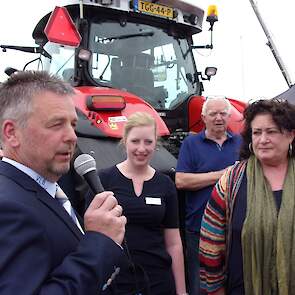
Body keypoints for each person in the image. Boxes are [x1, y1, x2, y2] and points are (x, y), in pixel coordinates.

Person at [0, 71, 126, 295]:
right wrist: (99, 243)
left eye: (73, 124)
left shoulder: (47, 189)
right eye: (56, 124)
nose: (72, 136)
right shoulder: (8, 207)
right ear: (11, 133)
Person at [199, 99, 295, 295]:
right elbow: (210, 242)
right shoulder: (232, 180)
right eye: (257, 132)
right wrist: (215, 289)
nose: (262, 139)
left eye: (271, 131)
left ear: (291, 135)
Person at [97, 112, 187, 295]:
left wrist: (182, 291)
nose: (141, 148)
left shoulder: (165, 184)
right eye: (135, 141)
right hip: (117, 280)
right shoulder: (103, 180)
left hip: (158, 281)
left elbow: (174, 243)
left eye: (148, 142)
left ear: (156, 143)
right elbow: (92, 235)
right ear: (125, 141)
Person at [175, 96, 242, 295]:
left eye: (223, 113)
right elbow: (181, 181)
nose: (218, 118)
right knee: (199, 284)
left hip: (235, 228)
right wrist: (223, 175)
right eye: (213, 114)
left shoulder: (242, 143)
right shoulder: (191, 143)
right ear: (204, 117)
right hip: (199, 228)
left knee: (236, 282)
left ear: (229, 116)